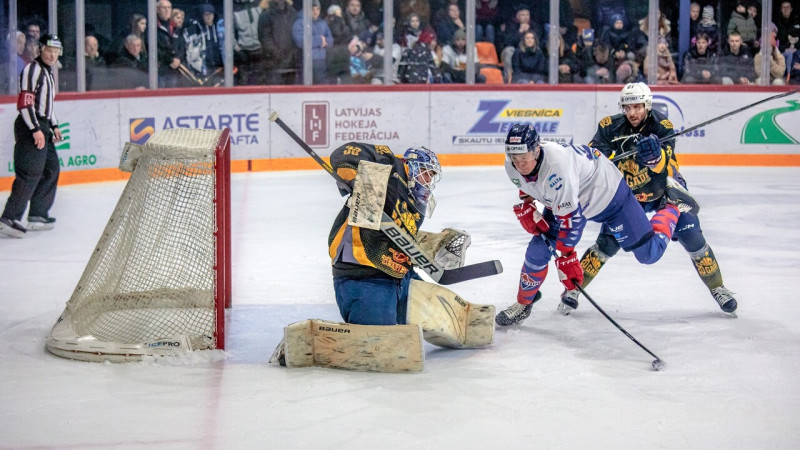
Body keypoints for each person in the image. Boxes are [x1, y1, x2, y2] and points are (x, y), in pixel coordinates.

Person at [554, 82, 737, 318]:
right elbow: (592, 157)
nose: (632, 113)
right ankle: (573, 291)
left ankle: (718, 288)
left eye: (638, 107)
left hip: (666, 192)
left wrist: (654, 158)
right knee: (605, 245)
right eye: (628, 107)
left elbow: (667, 165)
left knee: (694, 239)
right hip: (629, 196)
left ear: (647, 105)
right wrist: (605, 157)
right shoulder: (609, 127)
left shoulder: (662, 125)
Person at [494, 120, 696, 326]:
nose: (519, 164)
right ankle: (523, 303)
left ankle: (672, 205)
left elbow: (573, 221)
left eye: (524, 157)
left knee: (649, 253)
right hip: (573, 199)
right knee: (538, 250)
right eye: (514, 157)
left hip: (611, 198)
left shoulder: (557, 167)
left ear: (536, 150)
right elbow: (528, 185)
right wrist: (527, 202)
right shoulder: (512, 166)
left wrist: (568, 258)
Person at [327, 144, 439, 325]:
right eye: (425, 172)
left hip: (398, 274)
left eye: (432, 176)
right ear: (410, 165)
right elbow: (344, 154)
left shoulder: (418, 205)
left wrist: (428, 246)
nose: (427, 180)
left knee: (435, 313)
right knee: (379, 343)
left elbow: (399, 237)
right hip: (364, 276)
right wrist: (361, 179)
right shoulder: (391, 172)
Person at [0, 35, 64, 239]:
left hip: (43, 124)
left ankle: (38, 214)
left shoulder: (48, 72)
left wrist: (53, 125)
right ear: (40, 50)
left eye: (56, 51)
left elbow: (47, 105)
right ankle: (8, 218)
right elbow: (25, 104)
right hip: (31, 125)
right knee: (30, 173)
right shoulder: (32, 70)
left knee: (51, 168)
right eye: (49, 50)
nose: (53, 55)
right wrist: (36, 129)